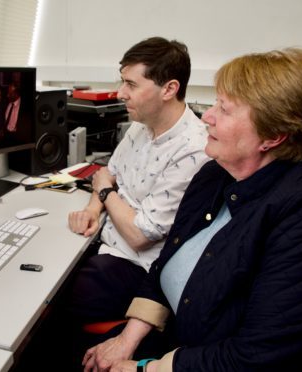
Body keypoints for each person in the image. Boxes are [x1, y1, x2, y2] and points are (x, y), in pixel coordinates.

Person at [82, 48, 302, 372]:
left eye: (224, 109)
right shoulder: (215, 175)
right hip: (187, 344)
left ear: (273, 135)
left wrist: (145, 369)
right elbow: (168, 261)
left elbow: (259, 356)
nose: (207, 116)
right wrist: (127, 339)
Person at [66, 36, 209, 340]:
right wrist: (93, 207)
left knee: (59, 294)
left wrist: (104, 193)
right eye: (122, 82)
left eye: (131, 84)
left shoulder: (192, 150)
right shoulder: (141, 124)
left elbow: (140, 235)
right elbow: (109, 174)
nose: (121, 93)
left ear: (169, 89)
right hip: (105, 241)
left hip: (137, 265)